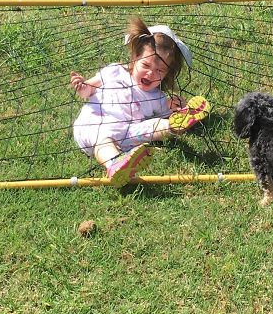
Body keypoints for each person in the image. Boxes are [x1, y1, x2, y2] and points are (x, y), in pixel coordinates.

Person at [70, 16, 210, 186]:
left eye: (160, 71)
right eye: (146, 66)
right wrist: (82, 86)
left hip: (126, 134)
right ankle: (114, 164)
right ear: (135, 57)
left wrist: (174, 106)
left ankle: (176, 125)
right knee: (103, 142)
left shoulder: (156, 97)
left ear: (167, 74)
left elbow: (163, 109)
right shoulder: (115, 72)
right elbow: (89, 89)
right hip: (94, 126)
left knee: (154, 125)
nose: (151, 74)